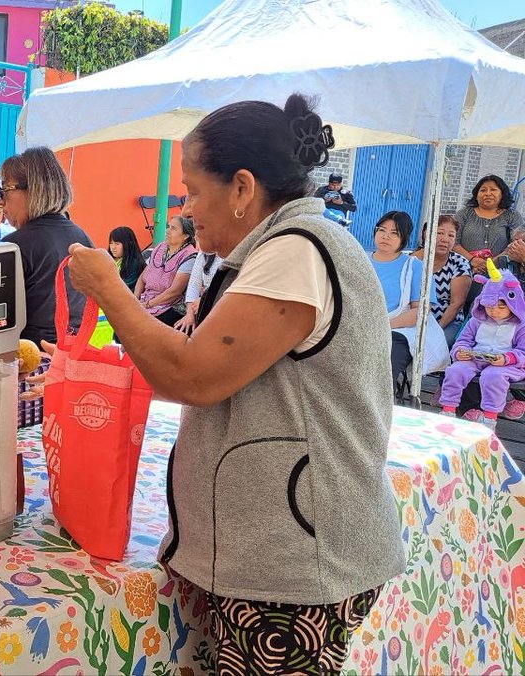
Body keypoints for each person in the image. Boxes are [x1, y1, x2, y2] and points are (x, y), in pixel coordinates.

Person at [58, 93, 404, 675]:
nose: (187, 209)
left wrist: (110, 289)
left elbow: (194, 375)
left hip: (297, 565)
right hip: (280, 552)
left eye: (193, 192)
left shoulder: (297, 253)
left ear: (242, 188)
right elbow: (214, 372)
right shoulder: (278, 249)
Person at [0, 147, 94, 345]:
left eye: (5, 190)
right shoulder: (83, 237)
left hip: (28, 354)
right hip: (73, 350)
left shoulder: (15, 246)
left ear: (32, 190)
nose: (0, 202)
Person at [438, 259, 525, 431]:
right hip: (476, 357)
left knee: (493, 376)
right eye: (489, 307)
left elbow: (523, 351)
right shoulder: (477, 320)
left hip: (506, 364)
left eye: (501, 307)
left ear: (513, 304)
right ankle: (448, 409)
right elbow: (463, 340)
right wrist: (460, 351)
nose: (494, 311)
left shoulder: (520, 325)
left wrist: (506, 358)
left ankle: (490, 418)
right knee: (455, 370)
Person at [368, 210, 438, 389]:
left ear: (404, 238)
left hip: (396, 332)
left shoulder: (415, 268)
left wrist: (382, 326)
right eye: (382, 230)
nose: (386, 236)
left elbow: (419, 312)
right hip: (357, 328)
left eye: (395, 233)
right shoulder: (359, 261)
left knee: (381, 372)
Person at [413, 214, 471, 346]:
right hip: (413, 319)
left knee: (434, 345)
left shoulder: (459, 263)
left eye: (451, 235)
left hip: (447, 323)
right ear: (426, 234)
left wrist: (436, 330)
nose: (445, 239)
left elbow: (457, 304)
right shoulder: (411, 261)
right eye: (439, 233)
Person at [454, 174, 525, 275]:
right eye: (483, 190)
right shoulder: (464, 214)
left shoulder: (512, 216)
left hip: (502, 272)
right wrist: (472, 260)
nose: (488, 193)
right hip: (464, 270)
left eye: (493, 190)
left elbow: (516, 244)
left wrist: (490, 264)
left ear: (502, 194)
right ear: (476, 195)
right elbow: (454, 242)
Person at [135, 216, 197, 326]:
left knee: (142, 326)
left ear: (186, 236)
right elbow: (142, 277)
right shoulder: (160, 247)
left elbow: (174, 292)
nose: (168, 230)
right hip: (147, 299)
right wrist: (135, 299)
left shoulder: (189, 256)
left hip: (170, 305)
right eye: (168, 226)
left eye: (174, 228)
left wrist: (147, 305)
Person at [174, 249, 224, 334]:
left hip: (221, 305)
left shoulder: (237, 254)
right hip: (200, 306)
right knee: (182, 330)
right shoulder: (204, 253)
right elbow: (194, 285)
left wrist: (204, 299)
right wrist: (190, 314)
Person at [107, 226, 145, 292]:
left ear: (128, 244)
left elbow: (125, 288)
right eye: (111, 243)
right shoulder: (108, 260)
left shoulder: (134, 264)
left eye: (117, 244)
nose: (113, 247)